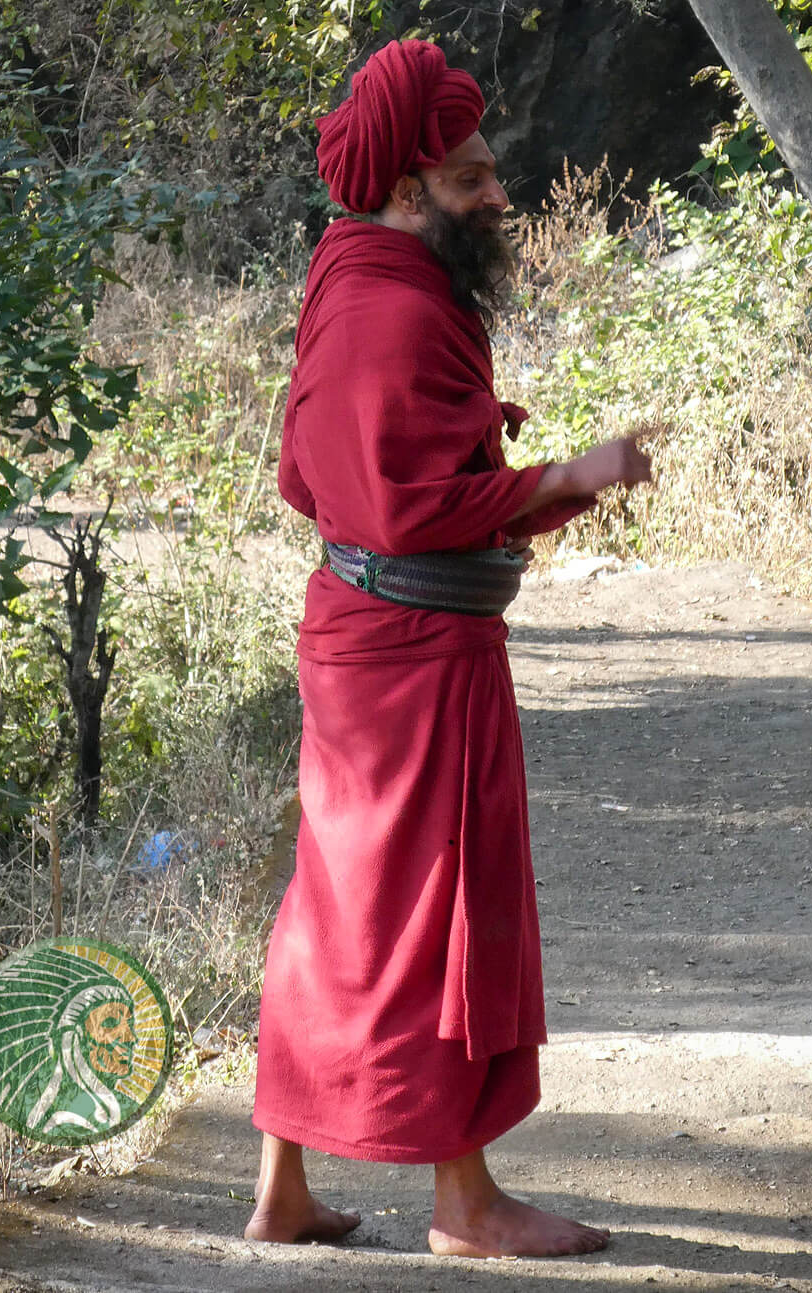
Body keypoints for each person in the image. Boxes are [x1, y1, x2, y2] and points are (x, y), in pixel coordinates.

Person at [248, 38, 655, 1259]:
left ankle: (282, 1194)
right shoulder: (383, 305)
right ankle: (465, 1205)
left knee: (341, 905)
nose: (496, 196)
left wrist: (492, 451)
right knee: (435, 913)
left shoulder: (363, 273)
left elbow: (320, 480)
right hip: (410, 650)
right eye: (472, 177)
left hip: (375, 636)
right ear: (407, 182)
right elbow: (390, 507)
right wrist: (564, 475)